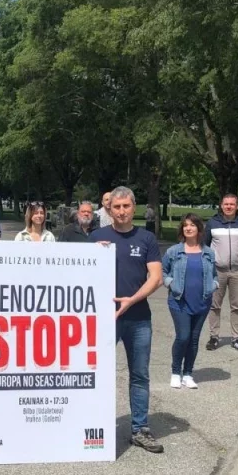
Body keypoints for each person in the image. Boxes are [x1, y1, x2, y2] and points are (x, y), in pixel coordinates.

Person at [91, 186, 164, 453]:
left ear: (134, 208)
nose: (121, 211)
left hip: (138, 317)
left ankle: (140, 428)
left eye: (126, 206)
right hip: (103, 318)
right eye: (116, 207)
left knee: (140, 375)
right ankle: (90, 424)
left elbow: (155, 277)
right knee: (95, 373)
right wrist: (92, 254)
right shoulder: (96, 237)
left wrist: (131, 299)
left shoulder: (146, 238)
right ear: (109, 209)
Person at [163, 214, 218, 389]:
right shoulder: (174, 251)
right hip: (179, 302)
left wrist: (213, 285)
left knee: (194, 339)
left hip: (202, 302)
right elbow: (163, 272)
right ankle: (175, 372)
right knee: (183, 336)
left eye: (192, 225)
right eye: (185, 225)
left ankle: (187, 374)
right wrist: (171, 283)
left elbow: (215, 275)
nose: (188, 228)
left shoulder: (208, 252)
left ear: (198, 229)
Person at [203, 193, 238, 353]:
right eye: (226, 204)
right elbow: (205, 245)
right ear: (221, 205)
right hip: (217, 271)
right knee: (214, 305)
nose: (229, 206)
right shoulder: (213, 223)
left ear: (237, 206)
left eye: (232, 204)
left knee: (237, 306)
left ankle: (236, 338)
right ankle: (214, 337)